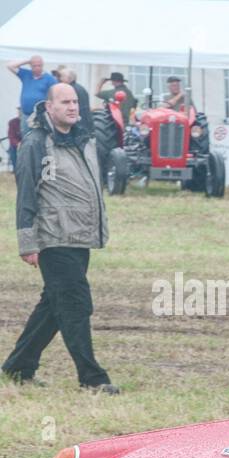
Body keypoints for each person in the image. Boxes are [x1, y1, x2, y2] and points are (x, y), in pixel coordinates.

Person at [2, 84, 117, 394]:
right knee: (76, 305)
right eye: (65, 102)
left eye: (75, 101)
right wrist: (28, 242)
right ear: (49, 107)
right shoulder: (35, 142)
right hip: (53, 238)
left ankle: (17, 367)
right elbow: (26, 194)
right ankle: (92, 378)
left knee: (54, 306)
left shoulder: (84, 139)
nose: (72, 107)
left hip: (79, 237)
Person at [6, 55, 56, 138]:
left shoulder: (50, 79)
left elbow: (55, 96)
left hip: (40, 116)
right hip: (25, 114)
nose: (37, 68)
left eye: (39, 65)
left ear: (42, 65)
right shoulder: (26, 74)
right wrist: (28, 61)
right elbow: (10, 66)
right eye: (34, 66)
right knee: (26, 138)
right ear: (30, 66)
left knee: (40, 138)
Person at [54, 66, 92, 138]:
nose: (59, 79)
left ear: (69, 78)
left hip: (78, 124)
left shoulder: (70, 90)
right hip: (85, 123)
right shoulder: (80, 88)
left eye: (61, 76)